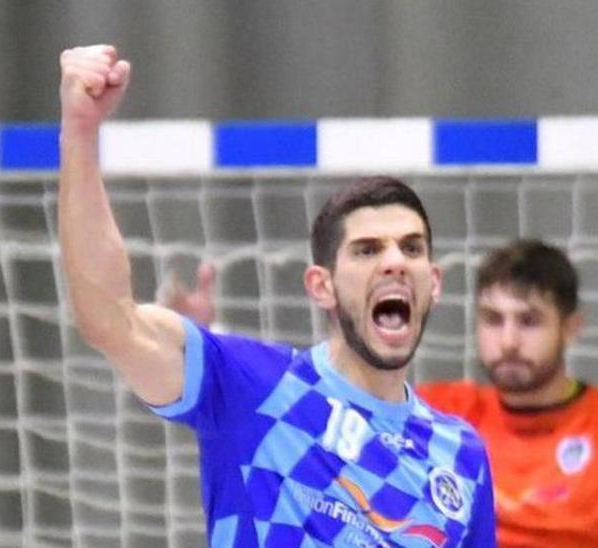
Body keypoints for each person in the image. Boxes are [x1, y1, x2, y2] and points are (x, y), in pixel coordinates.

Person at [58, 44, 495, 548]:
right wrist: (80, 131)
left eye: (411, 248)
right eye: (368, 250)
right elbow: (110, 320)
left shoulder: (461, 454)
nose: (394, 261)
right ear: (321, 286)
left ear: (433, 283)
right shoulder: (255, 386)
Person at [168, 240, 598, 547]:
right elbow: (310, 410)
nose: (508, 339)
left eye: (529, 320)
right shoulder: (444, 420)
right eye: (493, 319)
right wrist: (212, 349)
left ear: (572, 326)